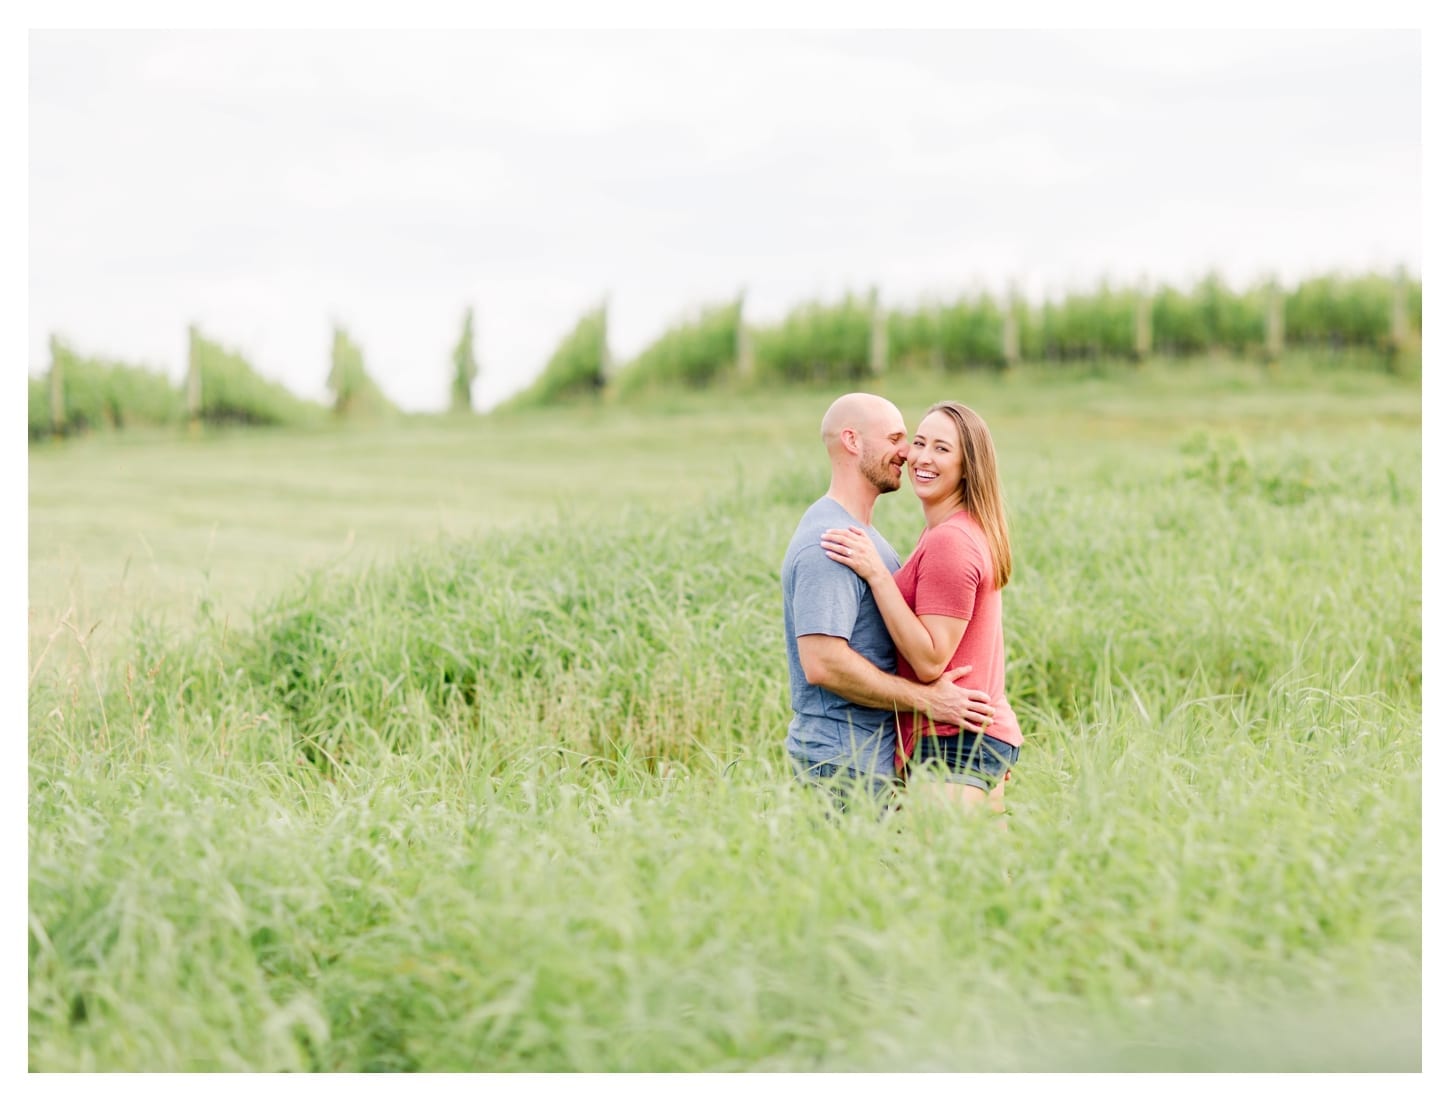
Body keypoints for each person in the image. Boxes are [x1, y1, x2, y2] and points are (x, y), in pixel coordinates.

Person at [782, 393, 996, 812]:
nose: (907, 452)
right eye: (897, 438)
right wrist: (929, 700)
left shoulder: (865, 539)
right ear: (852, 441)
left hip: (870, 764)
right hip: (839, 763)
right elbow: (823, 662)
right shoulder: (829, 543)